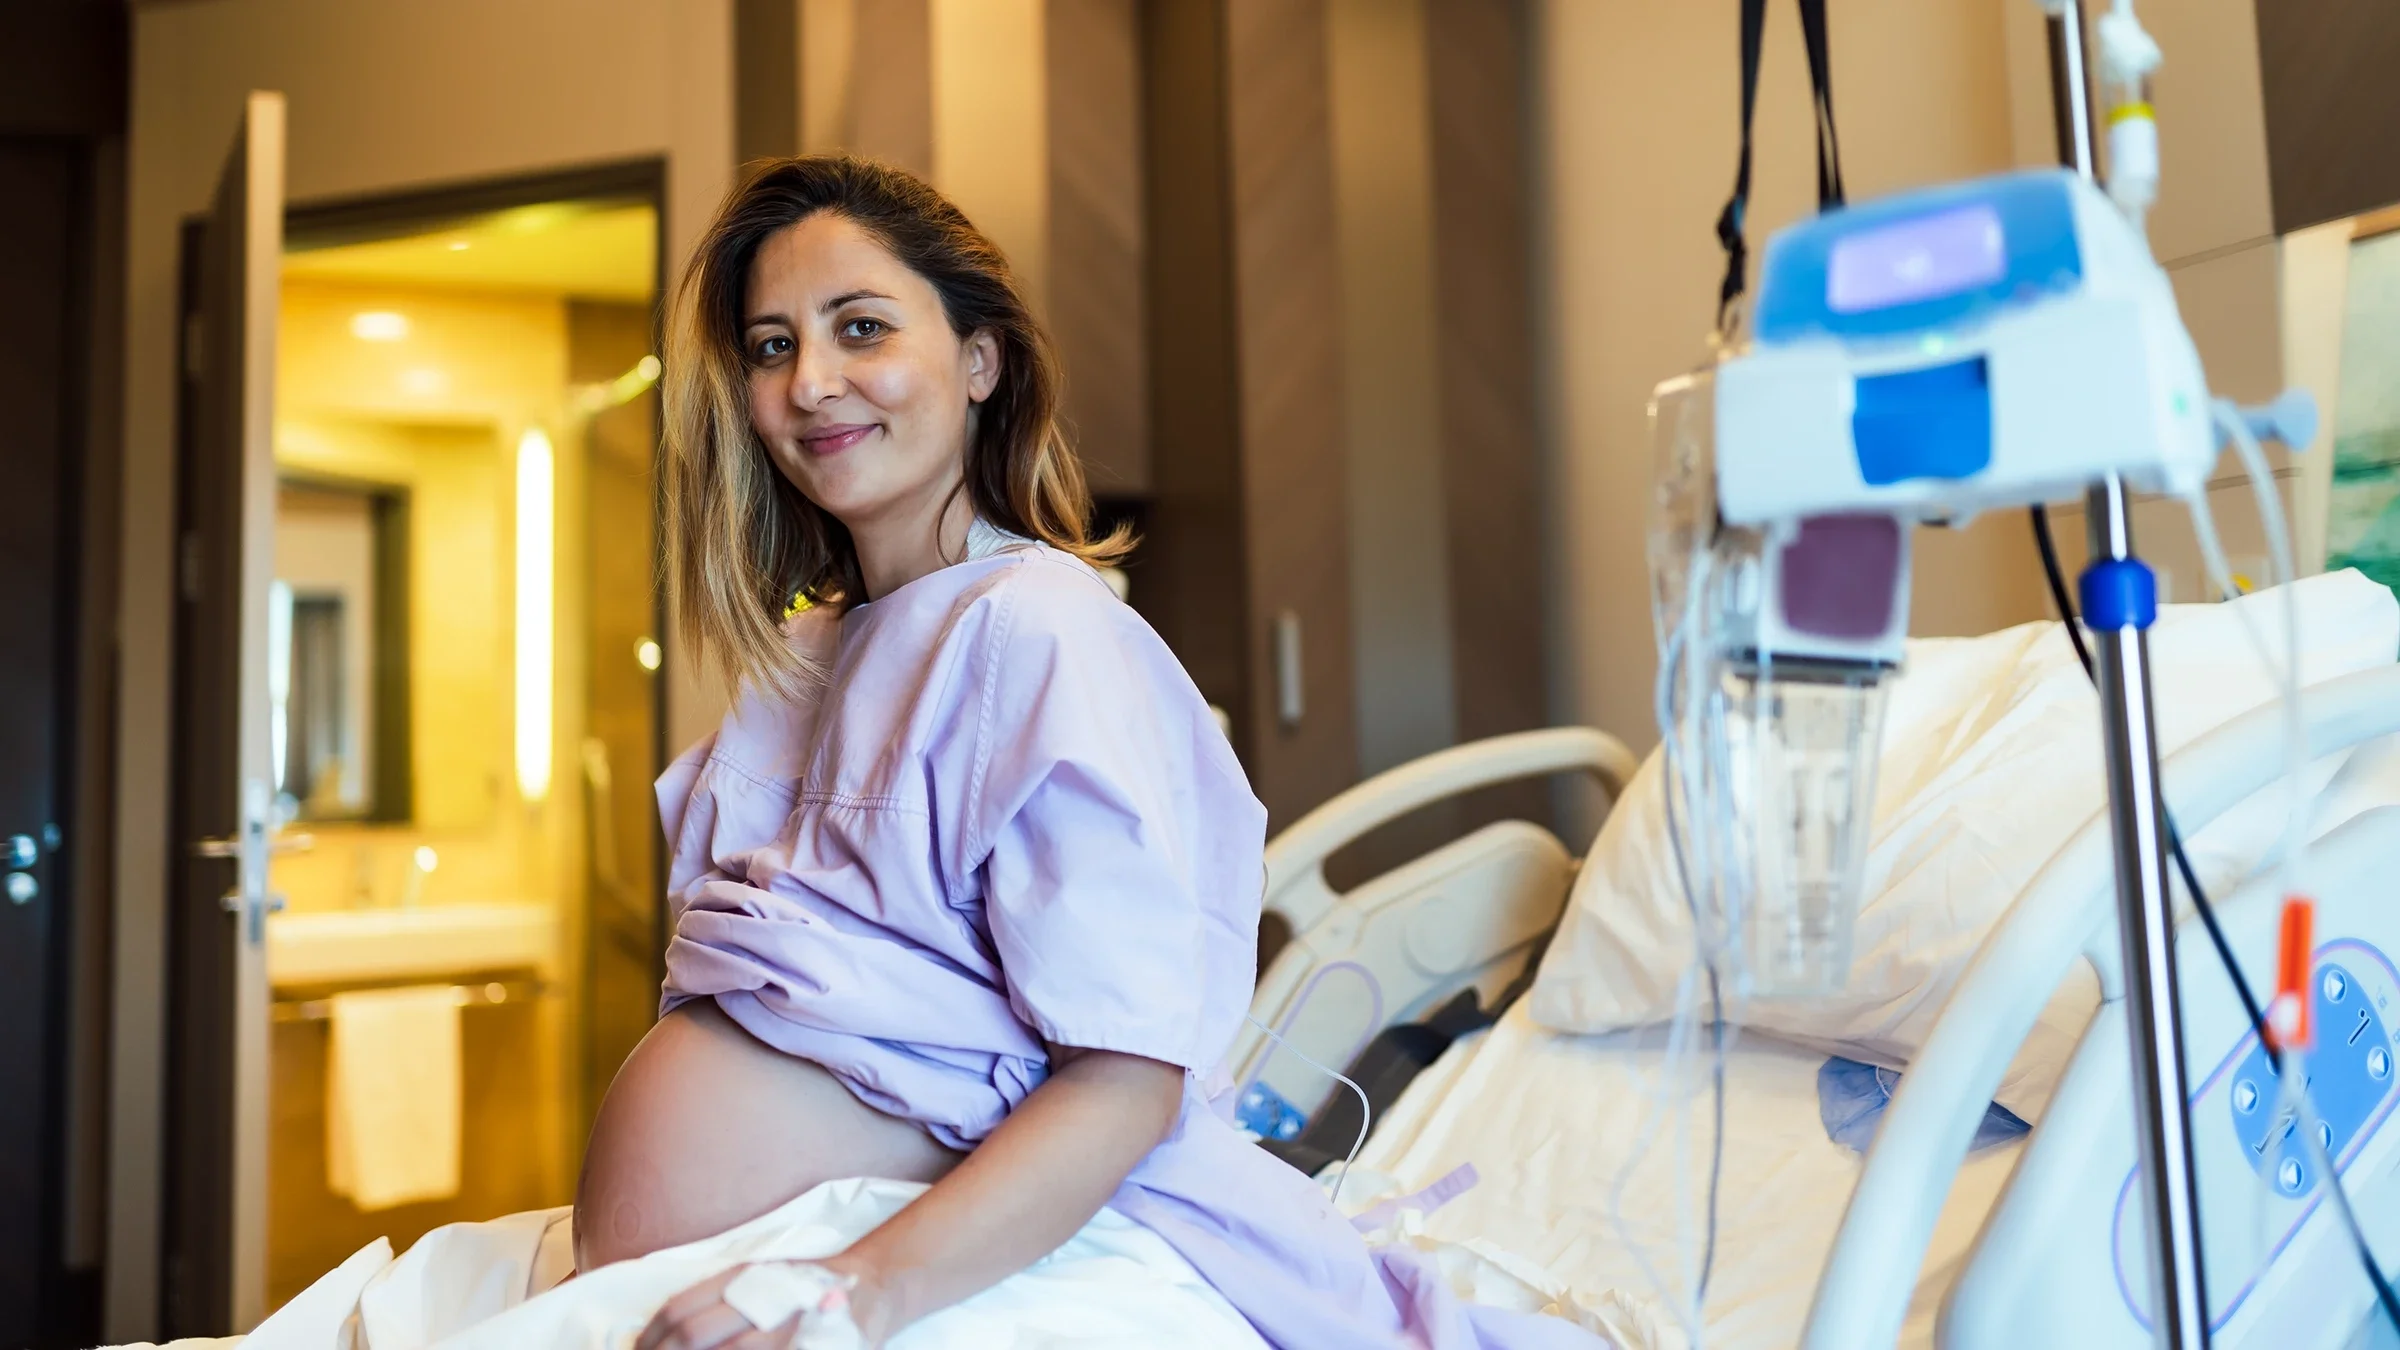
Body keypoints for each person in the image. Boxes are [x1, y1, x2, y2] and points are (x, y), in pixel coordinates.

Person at [575, 154, 1601, 1350]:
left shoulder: (1036, 628)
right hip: (746, 1265)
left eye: (861, 327)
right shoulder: (803, 658)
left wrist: (858, 1290)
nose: (811, 382)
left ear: (978, 361)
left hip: (907, 1261)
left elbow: (1125, 1078)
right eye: (769, 346)